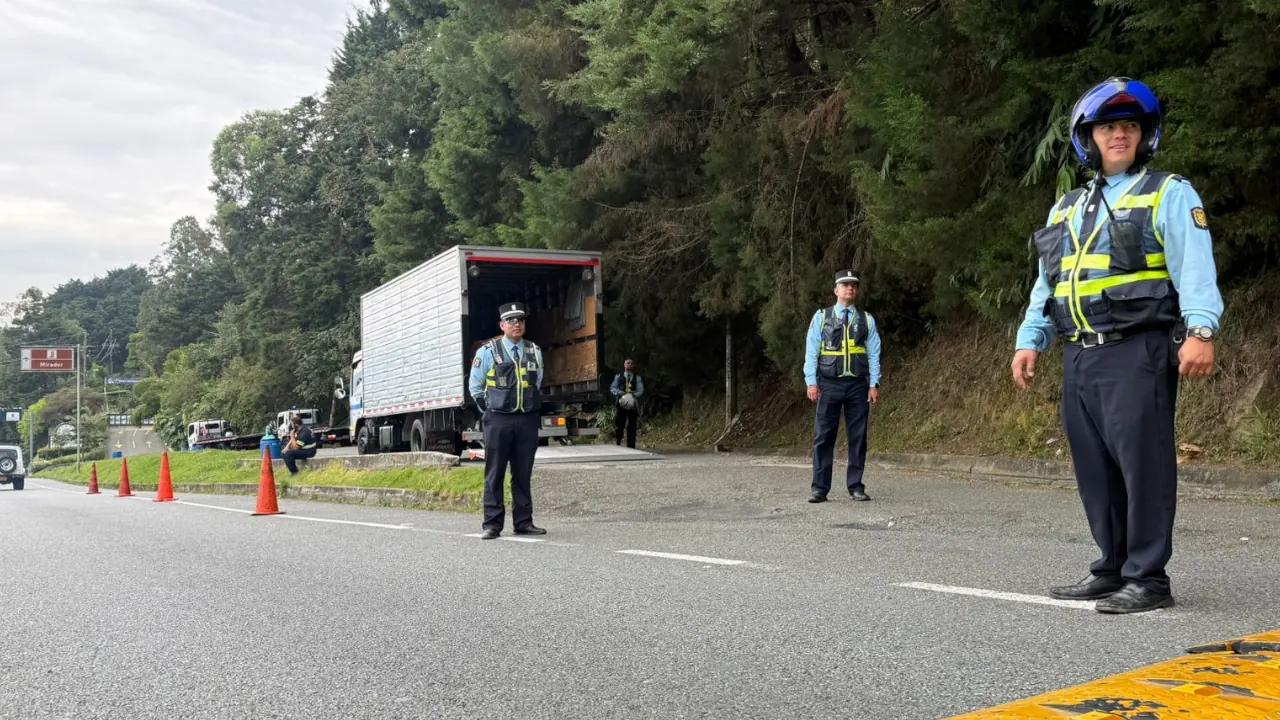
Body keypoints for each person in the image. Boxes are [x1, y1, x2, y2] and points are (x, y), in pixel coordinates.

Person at [1012, 77, 1224, 614]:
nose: (1120, 134)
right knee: (1096, 466)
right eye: (1109, 126)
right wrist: (1029, 338)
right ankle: (1112, 567)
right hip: (1079, 352)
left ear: (1144, 134)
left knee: (1142, 464)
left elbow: (1194, 266)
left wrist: (1201, 331)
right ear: (1090, 137)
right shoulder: (1067, 206)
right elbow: (1049, 281)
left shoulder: (1168, 192)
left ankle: (1148, 578)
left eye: (1130, 125)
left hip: (1138, 350)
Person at [468, 302, 547, 540]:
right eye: (511, 321)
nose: (517, 325)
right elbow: (476, 386)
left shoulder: (534, 351)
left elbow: (538, 381)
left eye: (520, 320)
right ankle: (492, 524)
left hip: (526, 420)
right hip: (498, 421)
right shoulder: (488, 351)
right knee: (495, 472)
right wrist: (490, 410)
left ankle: (524, 522)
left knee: (523, 473)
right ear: (502, 325)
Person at [803, 269, 882, 503]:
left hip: (858, 385)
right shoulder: (822, 317)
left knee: (858, 437)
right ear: (836, 290)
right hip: (829, 385)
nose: (850, 288)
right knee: (823, 437)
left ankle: (856, 486)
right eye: (845, 285)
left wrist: (874, 383)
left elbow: (874, 354)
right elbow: (811, 351)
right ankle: (819, 488)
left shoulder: (866, 319)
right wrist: (811, 382)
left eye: (854, 285)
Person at [610, 358, 645, 448]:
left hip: (632, 404)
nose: (629, 364)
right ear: (624, 365)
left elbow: (640, 390)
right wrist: (619, 393)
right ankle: (618, 441)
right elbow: (613, 388)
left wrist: (633, 395)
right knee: (619, 424)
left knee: (632, 424)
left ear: (633, 366)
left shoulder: (637, 377)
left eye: (631, 363)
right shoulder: (618, 376)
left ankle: (631, 445)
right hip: (621, 404)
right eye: (628, 363)